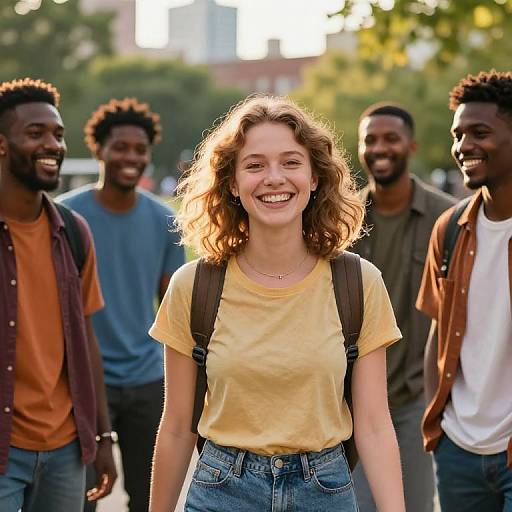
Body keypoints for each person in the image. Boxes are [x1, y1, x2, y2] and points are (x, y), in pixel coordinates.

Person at [148, 96, 405, 512]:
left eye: (290, 162)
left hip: (326, 490)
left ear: (315, 177)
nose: (274, 178)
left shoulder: (358, 282)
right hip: (221, 491)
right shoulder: (194, 286)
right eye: (254, 165)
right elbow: (177, 426)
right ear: (231, 182)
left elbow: (374, 425)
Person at [58, 97, 185, 512]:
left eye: (140, 149)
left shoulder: (164, 220)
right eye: (121, 147)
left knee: (151, 500)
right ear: (99, 150)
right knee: (82, 498)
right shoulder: (66, 218)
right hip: (81, 381)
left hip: (148, 380)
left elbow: (172, 307)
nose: (131, 157)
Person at [0, 78, 117, 511]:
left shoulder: (72, 232)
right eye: (35, 134)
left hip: (66, 449)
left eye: (57, 134)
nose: (52, 144)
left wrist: (103, 437)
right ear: (2, 145)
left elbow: (86, 340)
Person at [351, 103, 456, 511]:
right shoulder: (342, 220)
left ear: (411, 145)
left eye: (391, 138)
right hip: (352, 403)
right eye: (370, 139)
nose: (380, 148)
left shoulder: (446, 218)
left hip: (416, 399)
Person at [417, 70, 512, 511]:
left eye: (480, 132)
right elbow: (439, 330)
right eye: (458, 135)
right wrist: (439, 428)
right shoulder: (450, 228)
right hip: (458, 450)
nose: (463, 146)